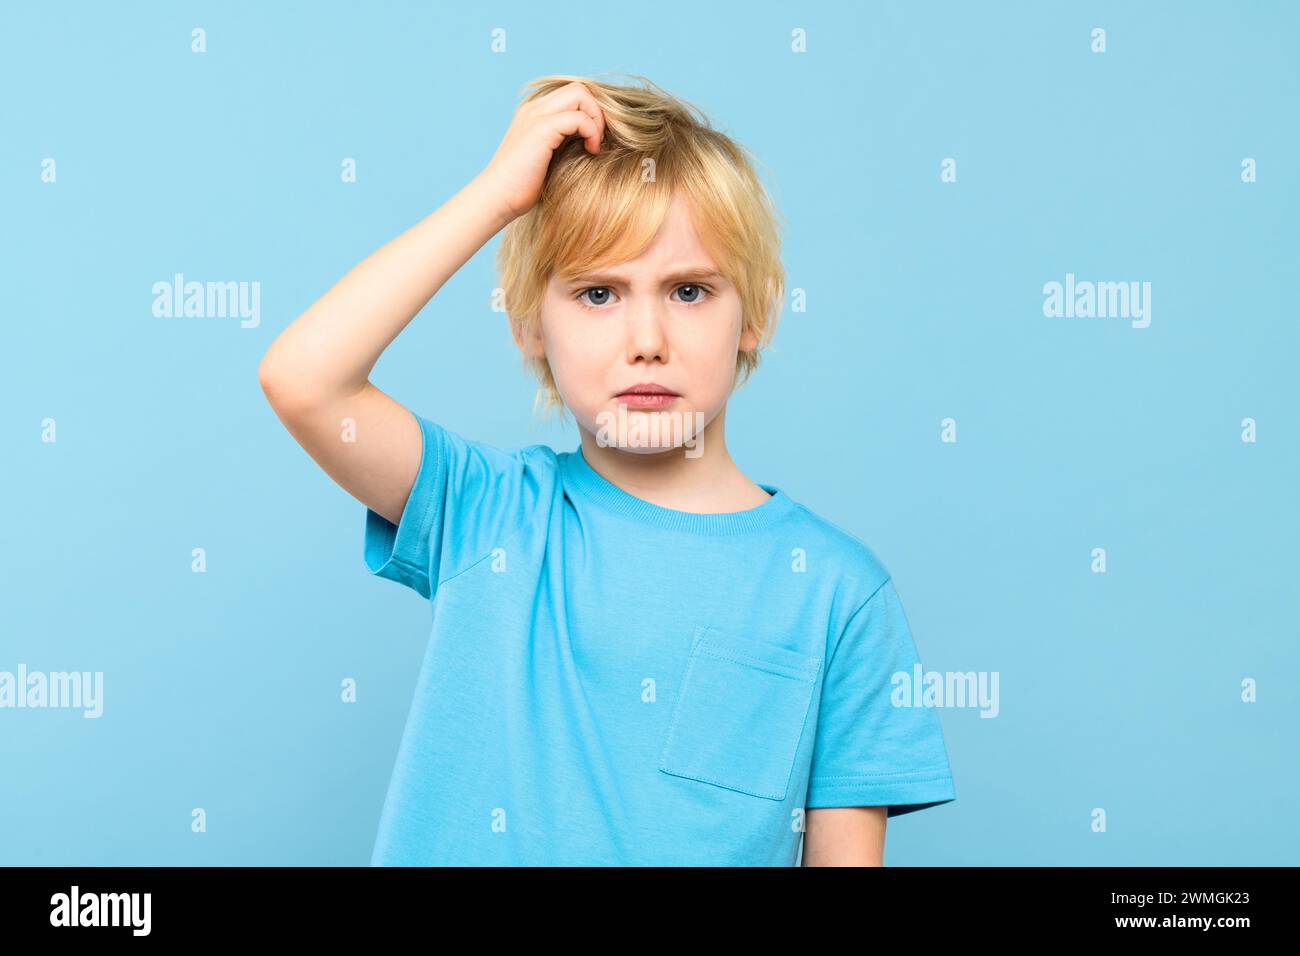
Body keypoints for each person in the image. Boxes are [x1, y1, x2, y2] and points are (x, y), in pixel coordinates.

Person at [258, 73, 955, 866]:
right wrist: (495, 197)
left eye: (689, 290)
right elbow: (306, 380)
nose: (647, 338)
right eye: (598, 294)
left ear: (755, 313)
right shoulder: (489, 515)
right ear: (526, 325)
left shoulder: (838, 593)